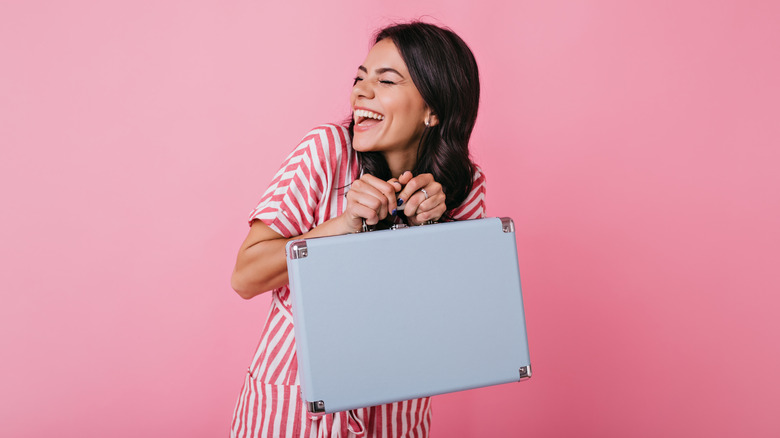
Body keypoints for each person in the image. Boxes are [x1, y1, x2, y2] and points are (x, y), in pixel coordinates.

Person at [230, 21, 486, 438]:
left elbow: (465, 325)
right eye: (360, 78)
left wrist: (436, 233)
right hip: (295, 411)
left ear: (432, 109)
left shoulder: (462, 185)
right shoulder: (327, 150)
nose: (360, 93)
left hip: (398, 416)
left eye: (385, 80)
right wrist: (343, 225)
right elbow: (245, 276)